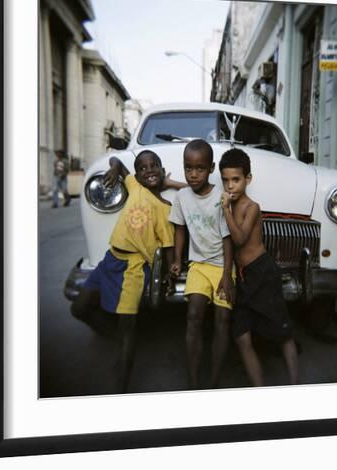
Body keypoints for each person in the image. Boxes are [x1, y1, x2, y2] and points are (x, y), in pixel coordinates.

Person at [70, 151, 184, 393]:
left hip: (134, 269)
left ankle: (121, 384)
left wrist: (168, 274)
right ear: (137, 175)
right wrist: (113, 170)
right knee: (79, 308)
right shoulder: (133, 186)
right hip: (110, 260)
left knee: (127, 326)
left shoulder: (165, 208)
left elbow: (168, 246)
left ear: (162, 171)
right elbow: (116, 162)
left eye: (155, 166)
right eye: (143, 168)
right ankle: (120, 341)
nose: (149, 170)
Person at [219, 148, 298, 386]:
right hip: (243, 277)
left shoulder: (251, 207)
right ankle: (260, 390)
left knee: (282, 332)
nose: (230, 186)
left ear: (248, 179)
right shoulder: (230, 204)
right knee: (241, 336)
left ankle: (295, 385)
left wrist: (225, 210)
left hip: (262, 272)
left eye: (236, 180)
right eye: (225, 180)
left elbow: (240, 239)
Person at [169, 139, 235, 389]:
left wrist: (228, 276)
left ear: (211, 168)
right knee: (193, 314)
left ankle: (215, 380)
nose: (193, 174)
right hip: (198, 265)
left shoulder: (220, 197)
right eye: (188, 168)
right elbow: (180, 231)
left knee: (222, 319)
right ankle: (194, 380)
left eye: (199, 168)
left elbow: (228, 239)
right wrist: (176, 260)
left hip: (222, 265)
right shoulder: (182, 197)